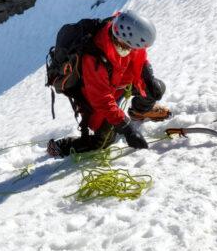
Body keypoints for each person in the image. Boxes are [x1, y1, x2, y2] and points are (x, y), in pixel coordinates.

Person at [47, 10, 169, 158]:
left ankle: (139, 111)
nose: (131, 50)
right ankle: (63, 146)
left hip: (118, 83)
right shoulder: (94, 57)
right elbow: (102, 99)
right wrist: (127, 128)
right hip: (92, 96)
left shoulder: (123, 38)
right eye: (129, 47)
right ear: (121, 40)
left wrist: (149, 78)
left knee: (157, 88)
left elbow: (139, 58)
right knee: (104, 140)